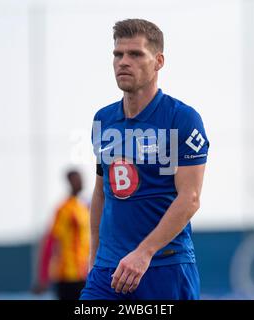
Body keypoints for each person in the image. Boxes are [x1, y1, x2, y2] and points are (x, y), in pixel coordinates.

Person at [80, 19, 210, 300]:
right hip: (108, 271)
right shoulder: (103, 120)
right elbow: (102, 193)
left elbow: (190, 198)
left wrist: (144, 253)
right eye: (118, 54)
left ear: (158, 61)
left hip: (165, 266)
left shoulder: (182, 118)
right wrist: (94, 259)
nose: (123, 62)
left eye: (135, 54)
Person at [34, 170, 90, 300]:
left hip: (83, 273)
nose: (81, 182)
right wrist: (43, 277)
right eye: (77, 179)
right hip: (66, 275)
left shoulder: (83, 207)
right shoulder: (64, 209)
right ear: (70, 182)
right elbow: (51, 242)